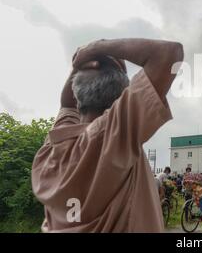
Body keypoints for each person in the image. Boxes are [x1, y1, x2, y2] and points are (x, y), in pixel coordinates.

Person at [31, 38, 183, 232]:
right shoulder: (112, 136)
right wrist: (98, 48)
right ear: (119, 101)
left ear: (78, 99)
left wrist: (80, 64)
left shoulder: (52, 150)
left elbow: (66, 104)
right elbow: (169, 54)